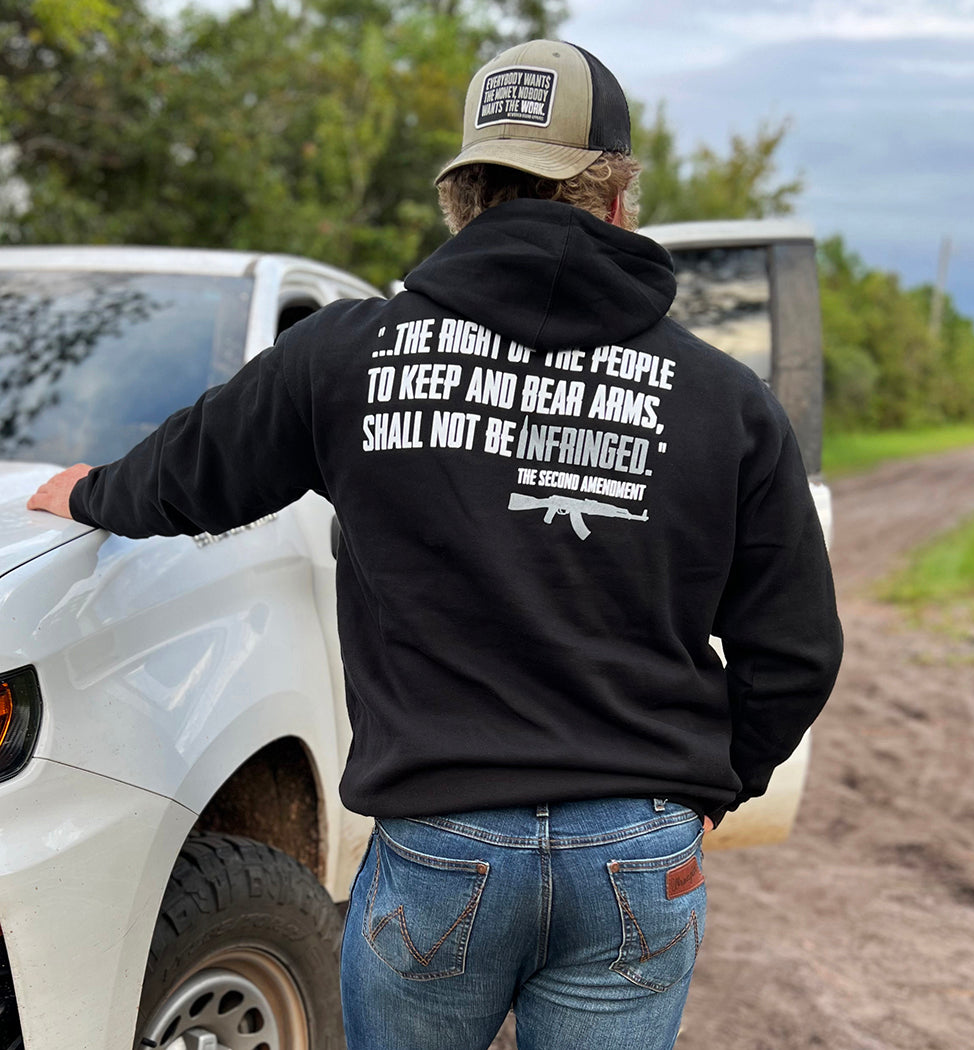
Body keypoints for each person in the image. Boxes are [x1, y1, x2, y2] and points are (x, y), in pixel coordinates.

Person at [29, 38, 841, 1050]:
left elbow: (185, 477)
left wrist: (81, 493)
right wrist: (712, 790)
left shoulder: (346, 354)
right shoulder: (726, 402)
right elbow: (799, 650)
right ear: (620, 201)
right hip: (634, 849)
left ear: (462, 199)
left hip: (440, 847)